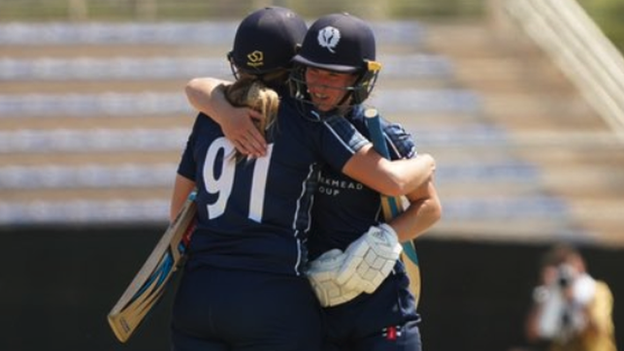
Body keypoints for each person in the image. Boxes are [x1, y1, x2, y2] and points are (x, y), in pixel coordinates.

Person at [170, 7, 435, 351]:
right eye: (315, 71)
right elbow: (391, 181)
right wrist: (429, 161)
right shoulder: (310, 121)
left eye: (334, 75)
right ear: (297, 67)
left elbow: (178, 216)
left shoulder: (208, 118)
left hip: (198, 295)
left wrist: (223, 111)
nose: (321, 85)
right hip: (279, 298)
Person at [523, 243, 617, 351]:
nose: (562, 271)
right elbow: (532, 334)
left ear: (580, 264)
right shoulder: (554, 291)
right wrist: (543, 293)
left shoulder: (596, 290)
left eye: (566, 264)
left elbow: (599, 329)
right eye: (557, 265)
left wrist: (575, 299)